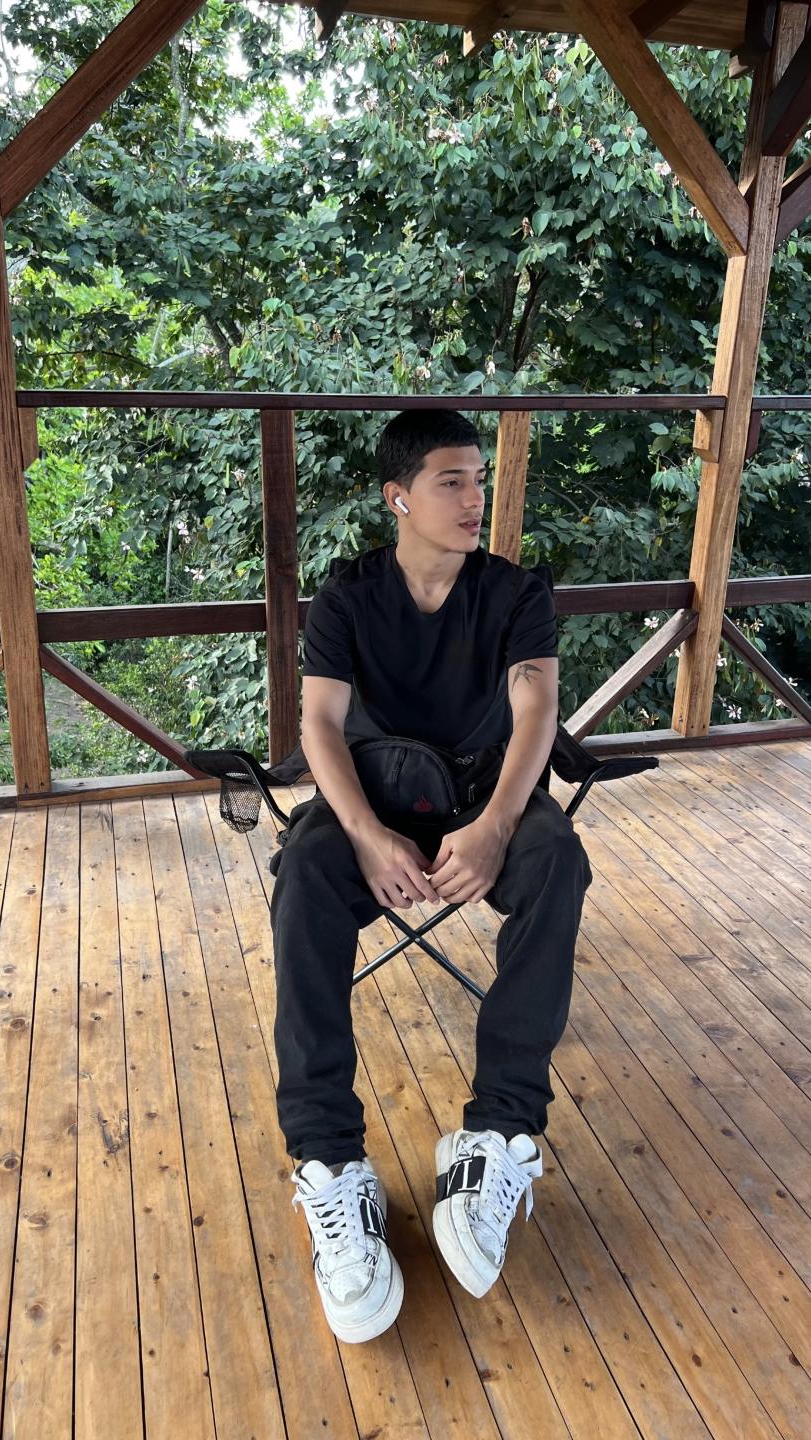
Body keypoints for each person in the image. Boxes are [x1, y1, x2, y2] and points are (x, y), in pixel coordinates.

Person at [268, 408, 593, 1344]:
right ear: (398, 497)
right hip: (376, 799)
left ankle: (497, 1135)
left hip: (484, 796)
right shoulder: (348, 597)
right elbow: (318, 725)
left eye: (478, 479)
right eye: (452, 480)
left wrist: (495, 828)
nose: (473, 497)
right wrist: (366, 835)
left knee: (557, 861)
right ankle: (331, 1163)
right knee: (306, 874)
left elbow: (537, 711)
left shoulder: (515, 592)